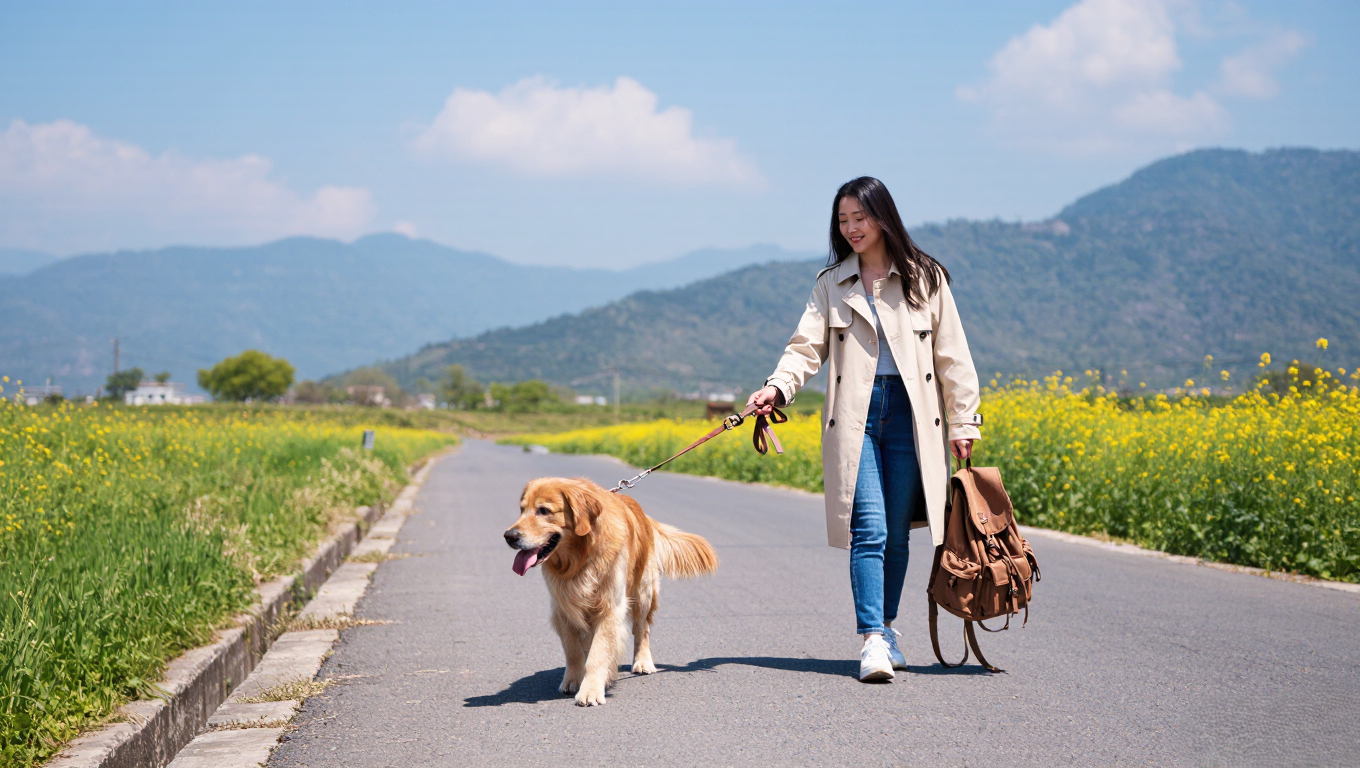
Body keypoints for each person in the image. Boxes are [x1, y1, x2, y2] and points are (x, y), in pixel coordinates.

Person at [747, 177, 983, 682]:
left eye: (860, 217)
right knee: (869, 529)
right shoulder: (831, 283)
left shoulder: (926, 278)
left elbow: (953, 356)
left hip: (913, 418)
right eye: (842, 220)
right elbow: (804, 348)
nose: (851, 228)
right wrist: (777, 388)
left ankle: (888, 627)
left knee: (898, 535)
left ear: (883, 217)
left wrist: (964, 421)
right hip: (857, 419)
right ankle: (872, 638)